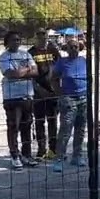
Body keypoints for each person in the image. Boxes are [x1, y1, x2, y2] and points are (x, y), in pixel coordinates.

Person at [0, 31, 38, 169]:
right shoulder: (3, 57)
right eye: (14, 40)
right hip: (11, 96)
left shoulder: (26, 54)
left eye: (19, 39)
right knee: (13, 126)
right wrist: (27, 70)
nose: (17, 42)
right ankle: (14, 155)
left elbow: (35, 72)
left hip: (27, 94)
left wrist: (22, 71)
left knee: (27, 125)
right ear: (7, 42)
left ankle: (27, 154)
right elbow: (10, 74)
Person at [51, 33, 90, 172]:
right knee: (66, 129)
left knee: (81, 128)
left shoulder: (84, 61)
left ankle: (77, 155)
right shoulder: (62, 62)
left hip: (84, 98)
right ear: (66, 49)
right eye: (71, 47)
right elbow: (53, 79)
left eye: (76, 47)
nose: (74, 49)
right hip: (68, 98)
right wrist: (60, 94)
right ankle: (59, 158)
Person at [28, 30, 61, 160]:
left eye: (44, 37)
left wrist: (58, 88)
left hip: (53, 92)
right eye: (39, 37)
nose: (42, 39)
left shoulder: (53, 50)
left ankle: (53, 149)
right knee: (39, 121)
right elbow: (30, 75)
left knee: (53, 121)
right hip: (38, 93)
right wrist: (37, 88)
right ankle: (41, 149)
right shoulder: (30, 53)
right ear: (35, 38)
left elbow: (60, 68)